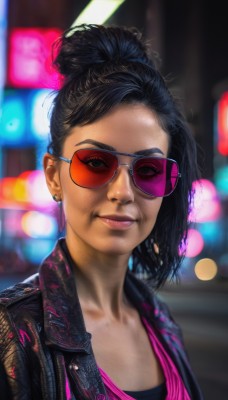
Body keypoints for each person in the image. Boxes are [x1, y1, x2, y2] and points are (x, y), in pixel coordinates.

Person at [0, 24, 204, 400]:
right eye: (95, 163)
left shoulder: (162, 324)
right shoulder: (13, 332)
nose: (122, 192)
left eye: (148, 170)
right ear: (53, 175)